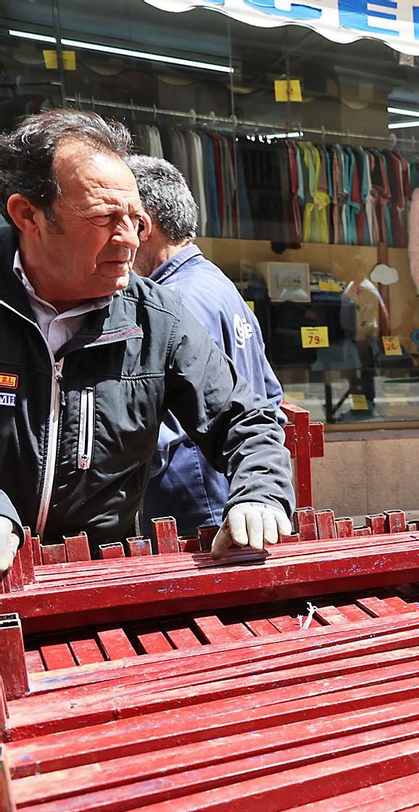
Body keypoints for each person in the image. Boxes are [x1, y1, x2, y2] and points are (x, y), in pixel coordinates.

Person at [0, 109, 293, 578]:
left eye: (135, 220)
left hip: (98, 577)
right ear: (28, 215)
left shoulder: (157, 317)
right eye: (103, 218)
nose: (128, 240)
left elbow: (245, 418)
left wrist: (260, 493)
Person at [129, 155, 286, 536]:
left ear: (142, 225)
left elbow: (160, 433)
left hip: (195, 501)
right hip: (229, 489)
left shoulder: (172, 300)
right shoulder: (214, 280)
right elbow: (269, 396)